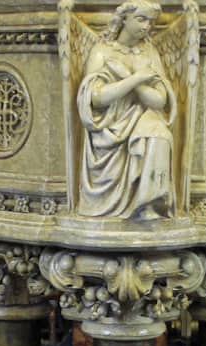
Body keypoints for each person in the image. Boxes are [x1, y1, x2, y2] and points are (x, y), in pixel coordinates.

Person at [76, 0, 175, 220]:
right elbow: (97, 98)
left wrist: (132, 80)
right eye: (141, 19)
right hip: (109, 121)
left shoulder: (149, 53)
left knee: (159, 133)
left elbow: (159, 101)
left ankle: (148, 204)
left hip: (143, 115)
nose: (147, 26)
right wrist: (136, 79)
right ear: (124, 19)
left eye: (151, 22)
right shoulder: (102, 52)